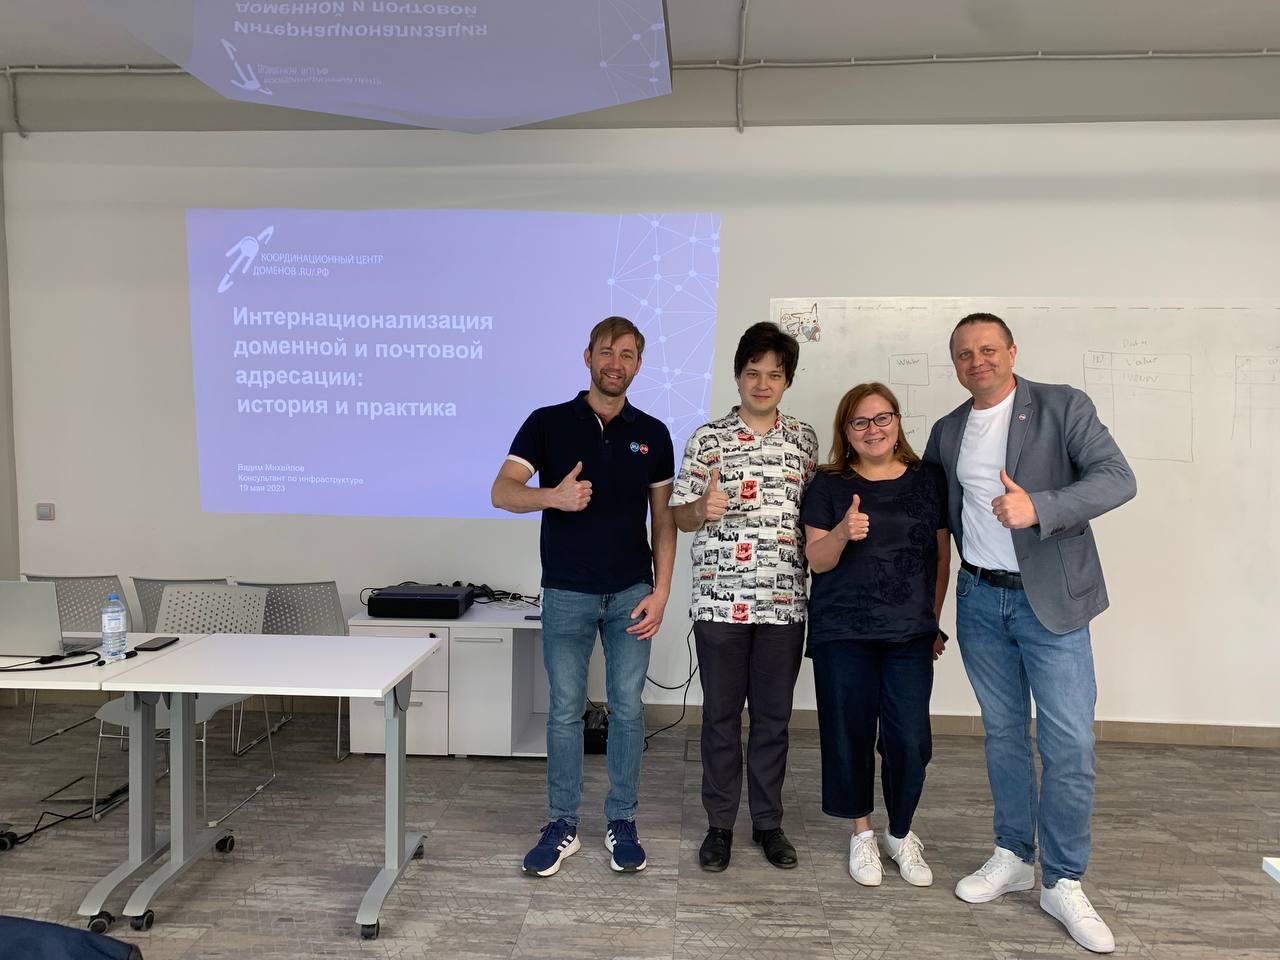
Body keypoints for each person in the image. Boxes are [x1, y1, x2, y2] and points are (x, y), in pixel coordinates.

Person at [924, 312, 1136, 954]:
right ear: (955, 364)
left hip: (1051, 604)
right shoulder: (948, 429)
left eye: (988, 349)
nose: (977, 361)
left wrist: (1038, 506)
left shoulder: (1062, 406)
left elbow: (1118, 478)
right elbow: (932, 517)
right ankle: (1014, 854)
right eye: (964, 354)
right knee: (1004, 737)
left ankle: (1063, 880)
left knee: (1069, 744)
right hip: (980, 601)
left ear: (1012, 351)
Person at [491, 315, 676, 877]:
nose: (615, 363)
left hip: (631, 593)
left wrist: (662, 591)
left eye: (627, 354)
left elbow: (664, 520)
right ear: (588, 356)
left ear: (639, 364)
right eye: (606, 352)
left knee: (628, 710)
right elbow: (502, 492)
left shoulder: (654, 433)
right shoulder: (547, 423)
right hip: (567, 592)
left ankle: (622, 820)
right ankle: (562, 824)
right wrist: (553, 496)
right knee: (565, 711)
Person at [671, 322, 819, 872]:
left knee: (774, 719)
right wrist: (699, 509)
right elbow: (680, 516)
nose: (762, 383)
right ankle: (719, 825)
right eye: (752, 373)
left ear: (787, 381)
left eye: (773, 375)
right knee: (720, 717)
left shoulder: (804, 441)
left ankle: (767, 823)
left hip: (784, 602)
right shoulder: (707, 439)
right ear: (737, 376)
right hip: (719, 601)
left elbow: (813, 517)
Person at [801, 383, 950, 889]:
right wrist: (842, 532)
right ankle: (862, 833)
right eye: (860, 422)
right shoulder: (828, 484)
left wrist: (932, 621)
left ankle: (901, 833)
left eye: (882, 418)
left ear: (897, 421)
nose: (873, 430)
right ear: (846, 432)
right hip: (843, 630)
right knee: (850, 733)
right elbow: (817, 560)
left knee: (910, 740)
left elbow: (941, 558)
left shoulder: (929, 479)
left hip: (910, 632)